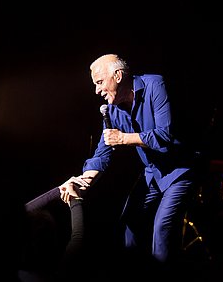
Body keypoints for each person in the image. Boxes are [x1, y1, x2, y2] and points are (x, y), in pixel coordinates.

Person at [58, 54, 198, 275]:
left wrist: (123, 138)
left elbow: (165, 135)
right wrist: (81, 182)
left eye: (99, 82)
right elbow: (103, 153)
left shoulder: (155, 84)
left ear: (118, 76)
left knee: (162, 227)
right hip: (152, 173)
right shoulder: (112, 110)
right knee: (129, 222)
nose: (97, 90)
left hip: (180, 171)